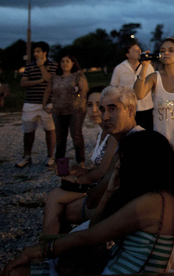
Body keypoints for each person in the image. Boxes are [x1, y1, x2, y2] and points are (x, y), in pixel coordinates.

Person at [3, 131, 174, 276]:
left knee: (17, 272)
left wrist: (36, 251)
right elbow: (94, 227)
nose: (119, 166)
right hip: (111, 266)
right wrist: (110, 192)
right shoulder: (155, 197)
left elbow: (89, 237)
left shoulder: (152, 202)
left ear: (142, 164)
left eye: (124, 159)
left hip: (114, 270)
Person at [42, 86, 144, 232]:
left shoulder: (132, 140)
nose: (103, 115)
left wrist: (79, 182)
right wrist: (82, 172)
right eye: (102, 109)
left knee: (58, 201)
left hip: (122, 211)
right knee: (58, 200)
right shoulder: (116, 134)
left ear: (131, 110)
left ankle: (47, 247)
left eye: (112, 109)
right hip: (115, 202)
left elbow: (103, 184)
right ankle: (51, 246)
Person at [17, 42, 58, 168]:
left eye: (38, 51)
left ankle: (50, 156)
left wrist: (41, 68)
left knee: (50, 130)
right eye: (34, 51)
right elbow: (23, 83)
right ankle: (27, 156)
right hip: (31, 103)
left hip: (48, 103)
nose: (35, 54)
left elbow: (51, 80)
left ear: (45, 52)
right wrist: (39, 80)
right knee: (28, 131)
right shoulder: (29, 66)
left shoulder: (53, 65)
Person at [49, 55, 89, 168]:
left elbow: (84, 89)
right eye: (62, 61)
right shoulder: (55, 77)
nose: (64, 63)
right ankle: (59, 161)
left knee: (76, 134)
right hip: (58, 110)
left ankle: (80, 161)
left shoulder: (78, 76)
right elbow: (48, 90)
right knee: (60, 137)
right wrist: (45, 104)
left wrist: (82, 103)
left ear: (73, 63)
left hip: (75, 110)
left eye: (67, 61)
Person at [110, 42, 154, 131]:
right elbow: (113, 87)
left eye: (139, 50)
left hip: (146, 107)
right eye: (134, 50)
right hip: (127, 108)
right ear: (127, 54)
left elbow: (154, 85)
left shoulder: (148, 67)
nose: (138, 52)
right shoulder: (119, 68)